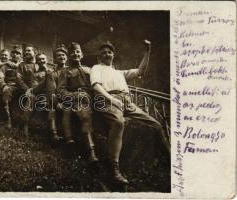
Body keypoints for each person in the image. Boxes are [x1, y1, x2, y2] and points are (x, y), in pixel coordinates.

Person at [90, 41, 170, 185]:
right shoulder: (96, 68)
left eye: (109, 52)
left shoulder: (119, 72)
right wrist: (111, 99)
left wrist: (147, 51)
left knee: (156, 124)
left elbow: (140, 71)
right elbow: (96, 86)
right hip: (106, 99)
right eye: (103, 52)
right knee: (118, 122)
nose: (107, 54)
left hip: (127, 102)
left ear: (113, 55)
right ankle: (113, 170)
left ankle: (169, 159)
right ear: (99, 56)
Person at [57, 42, 98, 163]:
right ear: (69, 55)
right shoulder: (65, 72)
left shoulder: (90, 70)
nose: (75, 54)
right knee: (85, 117)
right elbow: (60, 91)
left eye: (77, 52)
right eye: (72, 52)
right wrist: (76, 95)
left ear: (82, 54)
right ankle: (92, 152)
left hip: (95, 99)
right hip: (78, 100)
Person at [17, 52, 62, 143]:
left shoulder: (53, 71)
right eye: (39, 60)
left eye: (43, 59)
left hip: (54, 94)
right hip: (42, 95)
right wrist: (45, 80)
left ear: (46, 60)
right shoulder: (35, 74)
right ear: (36, 62)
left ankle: (54, 134)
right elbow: (35, 88)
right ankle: (26, 126)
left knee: (52, 108)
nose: (41, 61)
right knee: (42, 103)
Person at [48, 44, 73, 146]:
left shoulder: (70, 70)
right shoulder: (52, 73)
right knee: (52, 110)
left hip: (70, 97)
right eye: (59, 56)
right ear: (55, 59)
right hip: (57, 98)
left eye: (63, 55)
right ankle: (54, 135)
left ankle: (69, 138)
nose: (61, 57)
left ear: (66, 57)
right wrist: (57, 102)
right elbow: (51, 90)